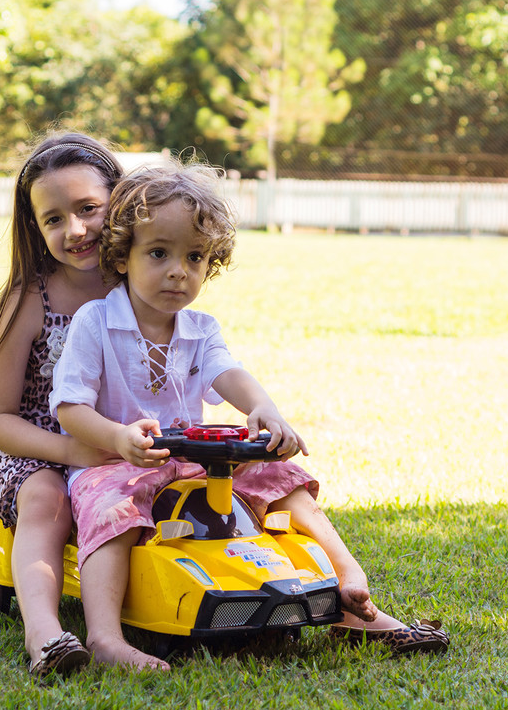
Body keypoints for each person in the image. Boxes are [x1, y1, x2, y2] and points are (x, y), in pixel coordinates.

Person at [51, 161, 449, 671]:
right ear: (122, 256)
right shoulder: (97, 321)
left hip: (191, 464)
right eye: (159, 253)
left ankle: (350, 588)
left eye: (195, 257)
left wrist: (264, 409)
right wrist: (118, 436)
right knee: (114, 513)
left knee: (278, 473)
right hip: (114, 463)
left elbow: (229, 373)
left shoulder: (199, 327)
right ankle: (105, 636)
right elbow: (69, 407)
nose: (179, 270)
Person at [0, 131, 124, 677]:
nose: (75, 230)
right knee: (46, 499)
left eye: (89, 209)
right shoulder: (28, 298)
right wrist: (72, 451)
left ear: (121, 202)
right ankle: (44, 633)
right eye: (54, 219)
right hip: (36, 443)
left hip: (118, 442)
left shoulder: (143, 288)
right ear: (35, 228)